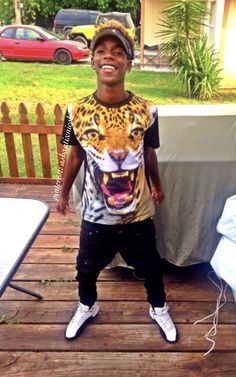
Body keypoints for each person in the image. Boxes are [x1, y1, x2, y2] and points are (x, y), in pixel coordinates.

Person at [57, 20, 178, 344]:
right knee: (85, 267)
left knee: (151, 265)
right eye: (101, 51)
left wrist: (157, 184)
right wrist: (63, 192)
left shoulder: (147, 111)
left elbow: (149, 153)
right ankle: (87, 305)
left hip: (138, 212)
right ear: (92, 59)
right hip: (96, 215)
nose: (108, 57)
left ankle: (158, 306)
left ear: (129, 61)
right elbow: (75, 156)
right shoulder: (75, 111)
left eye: (117, 52)